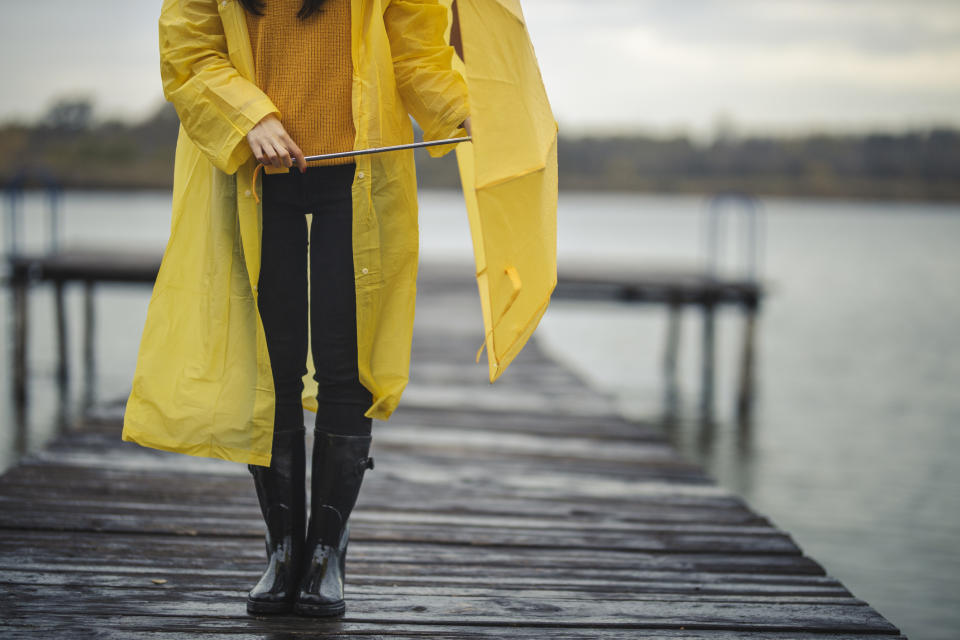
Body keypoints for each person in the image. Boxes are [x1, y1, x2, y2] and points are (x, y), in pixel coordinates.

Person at [122, 0, 470, 618]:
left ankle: (324, 557)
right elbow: (188, 48)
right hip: (257, 175)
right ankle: (283, 552)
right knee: (272, 363)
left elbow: (416, 51)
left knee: (346, 362)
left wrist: (466, 108)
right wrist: (248, 115)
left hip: (358, 174)